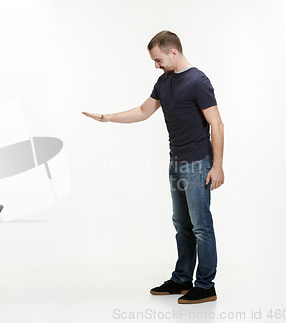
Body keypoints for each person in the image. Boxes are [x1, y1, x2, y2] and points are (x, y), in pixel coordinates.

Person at [83, 30, 224, 304]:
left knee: (201, 226)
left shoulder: (198, 81)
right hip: (176, 164)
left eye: (158, 59)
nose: (156, 65)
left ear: (173, 52)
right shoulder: (163, 82)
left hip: (198, 164)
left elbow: (216, 124)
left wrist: (217, 166)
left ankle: (206, 285)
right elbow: (143, 111)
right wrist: (108, 118)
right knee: (182, 224)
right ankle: (182, 279)